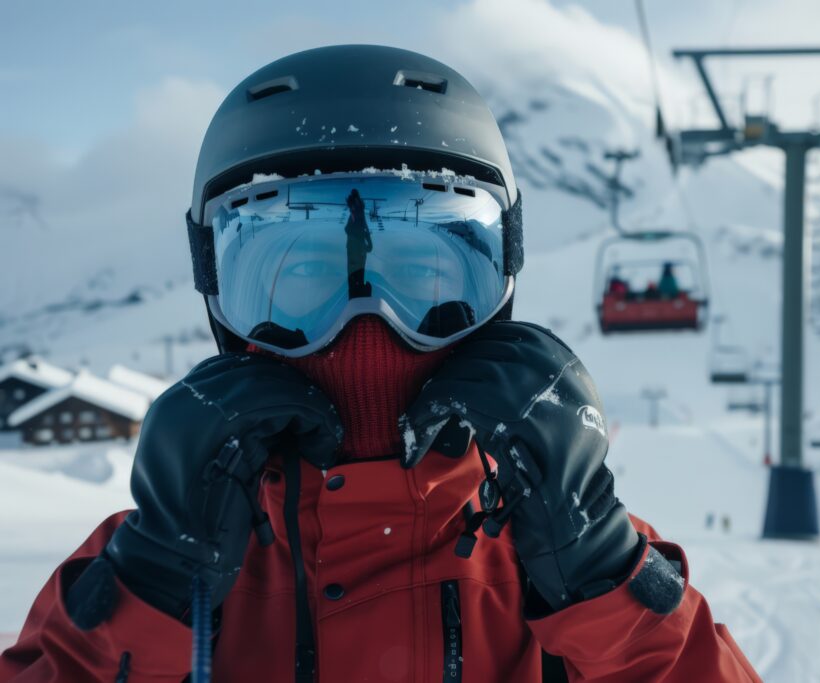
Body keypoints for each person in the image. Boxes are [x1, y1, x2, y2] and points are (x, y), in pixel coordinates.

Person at [0, 46, 761, 683]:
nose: (367, 324)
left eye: (427, 276)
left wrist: (605, 578)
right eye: (298, 278)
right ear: (215, 286)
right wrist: (152, 586)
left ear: (501, 284)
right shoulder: (158, 557)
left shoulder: (565, 548)